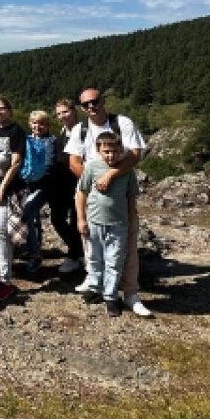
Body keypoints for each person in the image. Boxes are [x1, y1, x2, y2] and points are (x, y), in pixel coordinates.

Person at [64, 88, 153, 318]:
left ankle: (130, 294)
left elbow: (135, 154)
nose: (91, 107)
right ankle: (97, 285)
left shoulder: (121, 123)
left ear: (103, 101)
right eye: (85, 104)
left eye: (95, 102)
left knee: (127, 248)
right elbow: (74, 161)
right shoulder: (79, 129)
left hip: (120, 191)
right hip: (93, 193)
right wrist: (94, 181)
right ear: (81, 108)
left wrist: (110, 175)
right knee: (92, 246)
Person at [75, 132, 140, 317]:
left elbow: (130, 198)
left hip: (118, 224)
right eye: (107, 152)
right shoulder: (92, 167)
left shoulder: (127, 171)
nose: (111, 156)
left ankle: (111, 297)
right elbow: (82, 193)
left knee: (114, 261)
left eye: (115, 152)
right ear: (98, 150)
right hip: (94, 221)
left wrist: (131, 222)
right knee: (95, 258)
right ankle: (95, 287)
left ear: (121, 151)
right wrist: (81, 219)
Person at [0, 97, 26, 300]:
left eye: (2, 109)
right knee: (3, 232)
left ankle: (6, 281)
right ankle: (5, 271)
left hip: (12, 190)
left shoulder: (16, 131)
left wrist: (2, 188)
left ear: (10, 111)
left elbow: (16, 163)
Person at [49, 100, 85, 274]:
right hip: (61, 184)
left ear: (74, 110)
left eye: (65, 112)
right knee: (57, 219)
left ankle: (74, 257)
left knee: (76, 221)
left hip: (78, 183)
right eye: (59, 114)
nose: (62, 116)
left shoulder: (84, 131)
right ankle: (79, 251)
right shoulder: (63, 132)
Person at [20, 110, 56, 273]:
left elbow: (49, 165)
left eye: (41, 123)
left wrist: (33, 176)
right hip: (27, 185)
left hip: (44, 186)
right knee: (33, 217)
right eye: (34, 123)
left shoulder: (51, 141)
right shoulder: (26, 140)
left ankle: (35, 255)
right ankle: (34, 246)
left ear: (47, 125)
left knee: (28, 211)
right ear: (30, 124)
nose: (37, 126)